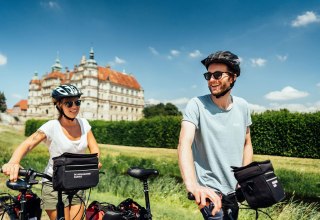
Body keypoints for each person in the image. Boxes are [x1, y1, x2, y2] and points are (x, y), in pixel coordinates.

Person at [1, 84, 102, 220]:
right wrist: (14, 161)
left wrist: (93, 162)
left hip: (78, 181)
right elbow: (28, 144)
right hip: (54, 183)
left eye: (77, 102)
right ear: (59, 105)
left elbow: (94, 149)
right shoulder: (51, 126)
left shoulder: (84, 123)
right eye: (69, 103)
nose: (75, 106)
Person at [178, 51, 253, 220]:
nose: (211, 80)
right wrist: (192, 186)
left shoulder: (243, 106)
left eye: (218, 75)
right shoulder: (196, 104)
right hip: (209, 191)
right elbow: (184, 143)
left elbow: (247, 143)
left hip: (234, 190)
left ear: (233, 77)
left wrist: (245, 177)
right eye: (208, 75)